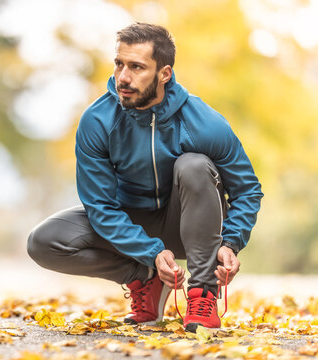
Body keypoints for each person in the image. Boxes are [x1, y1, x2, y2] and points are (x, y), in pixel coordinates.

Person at [26, 23, 263, 332]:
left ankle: (203, 292)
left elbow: (247, 191)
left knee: (194, 165)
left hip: (189, 225)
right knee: (44, 242)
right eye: (119, 64)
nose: (123, 77)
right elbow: (100, 206)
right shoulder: (97, 121)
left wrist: (231, 242)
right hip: (131, 225)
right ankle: (143, 278)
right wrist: (149, 252)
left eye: (136, 67)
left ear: (164, 73)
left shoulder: (204, 123)